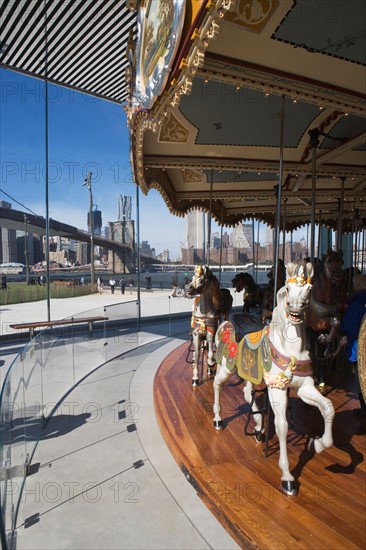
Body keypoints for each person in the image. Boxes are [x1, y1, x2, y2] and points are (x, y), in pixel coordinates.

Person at [341, 274, 366, 416]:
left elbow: (350, 327)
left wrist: (344, 333)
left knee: (361, 379)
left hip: (360, 348)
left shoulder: (356, 304)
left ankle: (364, 410)